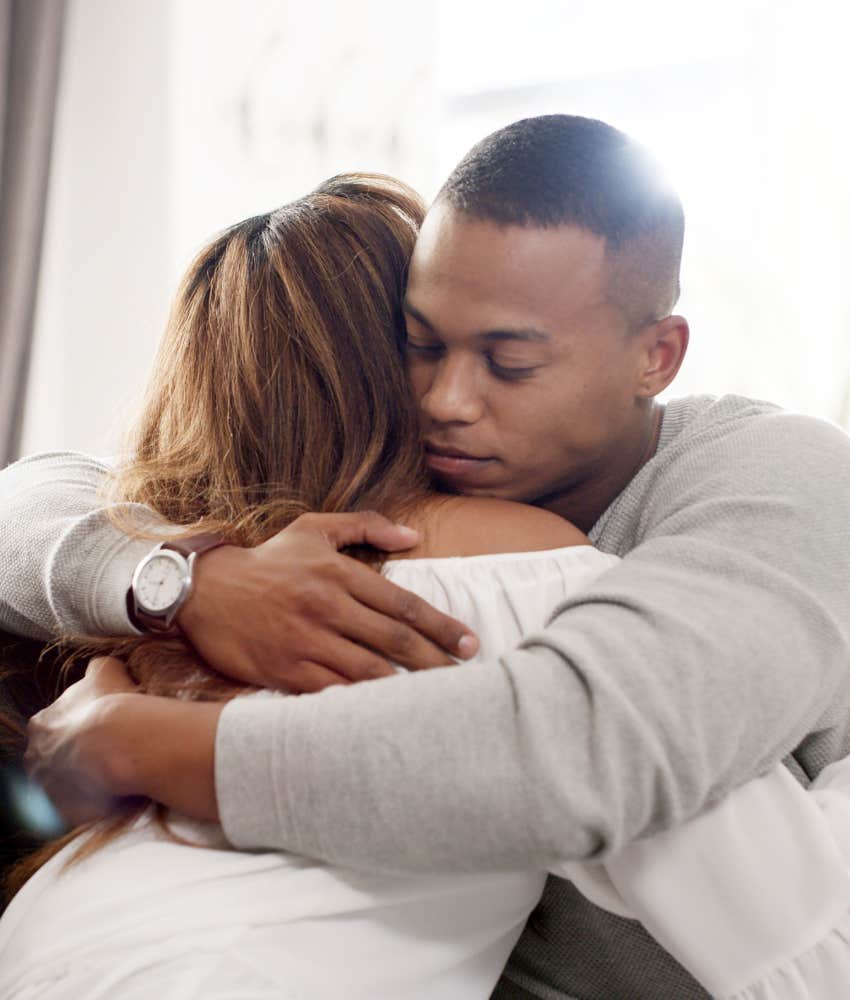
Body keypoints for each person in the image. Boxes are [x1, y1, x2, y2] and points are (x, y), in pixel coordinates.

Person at [3, 115, 850, 999]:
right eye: (420, 346)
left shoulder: (774, 479)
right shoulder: (336, 525)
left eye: (510, 363)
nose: (447, 400)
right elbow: (32, 497)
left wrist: (145, 747)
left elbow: (583, 750)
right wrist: (184, 580)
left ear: (656, 358)